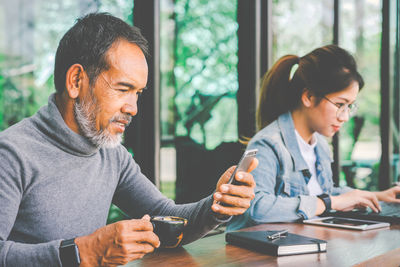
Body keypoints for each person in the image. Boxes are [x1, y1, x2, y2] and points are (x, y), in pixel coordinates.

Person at [0, 13, 258, 267]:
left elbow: (167, 217)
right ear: (76, 81)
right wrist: (83, 252)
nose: (133, 108)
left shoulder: (111, 155)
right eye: (123, 89)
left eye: (138, 93)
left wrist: (217, 207)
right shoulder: (11, 154)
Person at [227, 45, 400, 231]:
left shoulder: (320, 145)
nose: (345, 117)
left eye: (350, 106)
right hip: (257, 254)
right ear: (309, 96)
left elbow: (323, 193)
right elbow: (256, 208)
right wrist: (328, 203)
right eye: (340, 104)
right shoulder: (268, 143)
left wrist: (377, 196)